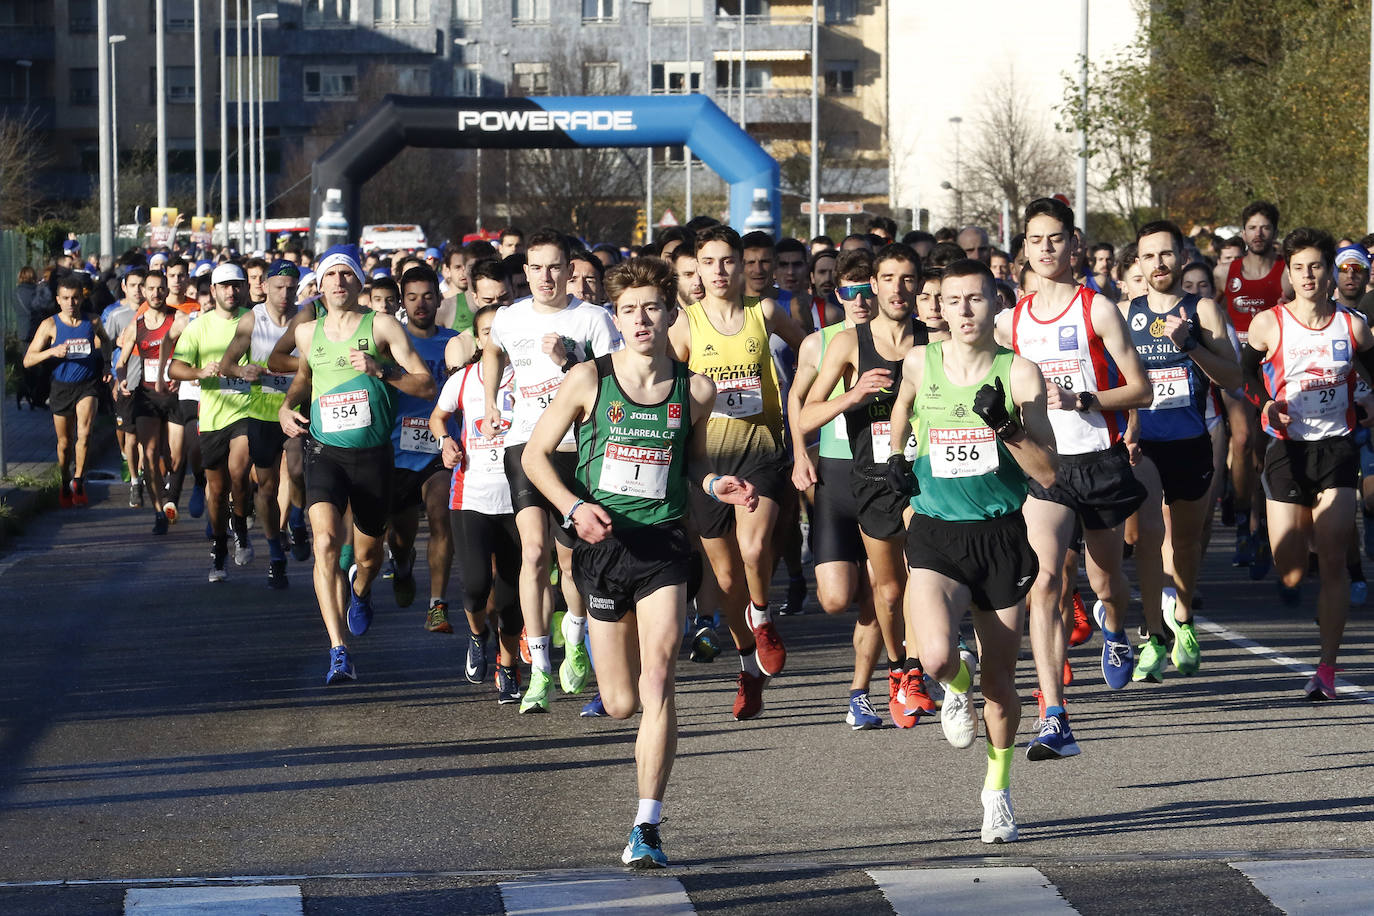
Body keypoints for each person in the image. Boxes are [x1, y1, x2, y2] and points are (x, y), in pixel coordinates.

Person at [523, 256, 758, 868]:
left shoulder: (694, 390)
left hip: (663, 550)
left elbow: (694, 466)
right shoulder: (588, 379)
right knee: (622, 701)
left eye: (652, 307)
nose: (641, 319)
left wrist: (716, 487)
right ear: (616, 317)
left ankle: (647, 824)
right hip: (602, 548)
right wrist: (573, 509)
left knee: (659, 681)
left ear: (670, 313)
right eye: (628, 309)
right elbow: (535, 457)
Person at [887, 258, 1057, 843]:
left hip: (1000, 535)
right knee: (935, 657)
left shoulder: (1021, 374)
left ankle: (997, 793)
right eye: (950, 299)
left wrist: (1007, 428)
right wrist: (897, 453)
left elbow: (1049, 472)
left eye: (974, 299)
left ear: (995, 304)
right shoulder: (919, 360)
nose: (961, 310)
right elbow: (904, 402)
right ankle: (953, 687)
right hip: (936, 530)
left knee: (1002, 684)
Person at [995, 197, 1151, 762]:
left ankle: (1115, 629)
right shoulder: (1009, 322)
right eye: (1035, 240)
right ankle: (1054, 716)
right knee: (1045, 583)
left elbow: (1142, 389)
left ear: (1073, 244)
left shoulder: (1099, 309)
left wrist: (1084, 398)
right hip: (1045, 468)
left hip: (1100, 459)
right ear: (1025, 250)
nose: (1045, 249)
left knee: (1106, 580)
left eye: (1055, 238)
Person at [276, 246, 437, 683]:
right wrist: (286, 408)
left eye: (347, 274)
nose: (340, 282)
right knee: (326, 541)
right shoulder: (308, 333)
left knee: (367, 558)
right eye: (332, 276)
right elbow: (302, 379)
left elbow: (425, 384)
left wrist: (380, 369)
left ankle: (361, 591)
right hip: (325, 452)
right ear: (321, 284)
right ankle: (338, 649)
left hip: (374, 456)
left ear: (359, 281)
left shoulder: (381, 326)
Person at [667, 225, 805, 719]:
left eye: (729, 261)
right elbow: (664, 389)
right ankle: (748, 666)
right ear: (697, 268)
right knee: (725, 582)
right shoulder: (685, 328)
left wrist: (806, 402)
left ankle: (764, 617)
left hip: (762, 452)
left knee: (753, 548)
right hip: (708, 465)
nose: (720, 271)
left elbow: (809, 354)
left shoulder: (762, 312)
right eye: (710, 262)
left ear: (742, 265)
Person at [482, 229, 620, 713]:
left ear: (569, 270)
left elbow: (612, 382)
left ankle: (576, 640)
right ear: (525, 272)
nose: (545, 276)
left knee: (573, 561)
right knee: (534, 554)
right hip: (526, 446)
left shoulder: (594, 319)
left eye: (554, 266)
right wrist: (490, 402)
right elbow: (493, 353)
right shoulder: (509, 317)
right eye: (536, 267)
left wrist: (571, 360)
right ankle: (539, 669)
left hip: (576, 448)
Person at [799, 245, 934, 728]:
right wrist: (853, 394)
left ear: (918, 286)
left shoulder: (931, 340)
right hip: (872, 480)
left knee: (923, 580)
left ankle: (915, 671)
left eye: (908, 278)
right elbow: (806, 414)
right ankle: (897, 669)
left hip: (924, 478)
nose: (899, 288)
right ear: (872, 285)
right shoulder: (850, 344)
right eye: (889, 278)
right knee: (890, 590)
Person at [1242, 228, 1374, 700]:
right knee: (1292, 569)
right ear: (1289, 273)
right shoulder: (1269, 324)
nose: (1309, 276)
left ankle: (1326, 668)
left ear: (1330, 271)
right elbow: (1246, 374)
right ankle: (1297, 552)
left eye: (1316, 266)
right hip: (1287, 450)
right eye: (1299, 268)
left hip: (1336, 448)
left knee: (1335, 559)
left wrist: (1368, 405)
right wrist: (1264, 404)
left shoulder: (1352, 326)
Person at [1124, 221, 1241, 683]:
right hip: (1143, 444)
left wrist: (1189, 344)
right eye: (1149, 256)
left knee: (1186, 543)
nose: (1159, 264)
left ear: (1181, 256)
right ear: (1138, 262)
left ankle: (1184, 619)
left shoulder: (1202, 309)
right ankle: (1153, 634)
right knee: (1147, 537)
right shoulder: (1123, 312)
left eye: (1166, 254)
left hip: (1191, 441)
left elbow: (1232, 377)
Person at [430, 304, 523, 702]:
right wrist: (445, 441)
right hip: (470, 495)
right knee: (474, 586)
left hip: (518, 497)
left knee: (509, 594)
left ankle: (508, 667)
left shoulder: (526, 379)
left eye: (500, 332)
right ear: (477, 339)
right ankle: (475, 634)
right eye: (486, 332)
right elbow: (438, 417)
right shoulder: (464, 379)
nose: (493, 339)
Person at [167, 264, 258, 581]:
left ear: (244, 288)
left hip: (246, 411)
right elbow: (174, 369)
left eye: (237, 286)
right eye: (225, 286)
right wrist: (198, 373)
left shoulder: (255, 320)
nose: (231, 292)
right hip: (213, 416)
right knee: (217, 493)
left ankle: (243, 530)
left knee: (239, 470)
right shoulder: (198, 327)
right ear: (214, 291)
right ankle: (220, 549)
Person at [218, 259, 306, 587]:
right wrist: (243, 371)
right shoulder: (253, 319)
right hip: (261, 412)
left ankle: (297, 521)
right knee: (267, 488)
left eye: (290, 288)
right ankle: (274, 553)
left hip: (297, 408)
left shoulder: (306, 318)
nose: (285, 294)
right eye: (278, 287)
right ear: (266, 286)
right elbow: (227, 364)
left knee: (297, 472)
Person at [385, 266, 459, 629]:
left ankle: (437, 604)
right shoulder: (393, 344)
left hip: (442, 450)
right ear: (402, 302)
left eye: (428, 296)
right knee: (400, 536)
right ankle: (401, 562)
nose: (421, 304)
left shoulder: (456, 342)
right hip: (398, 451)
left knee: (441, 515)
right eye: (412, 297)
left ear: (439, 299)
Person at [1223, 201, 1293, 570]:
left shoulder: (1285, 273)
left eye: (1265, 227)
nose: (1258, 233)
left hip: (1272, 372)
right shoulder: (1227, 272)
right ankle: (1239, 519)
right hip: (1237, 371)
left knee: (1263, 454)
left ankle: (1261, 523)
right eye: (1252, 227)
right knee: (1242, 441)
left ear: (1274, 232)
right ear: (1243, 231)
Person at [23, 274, 107, 507]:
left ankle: (79, 480)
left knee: (85, 432)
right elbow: (28, 360)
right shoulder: (49, 325)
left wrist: (108, 365)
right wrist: (52, 351)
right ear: (58, 300)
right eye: (66, 298)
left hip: (87, 385)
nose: (71, 303)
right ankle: (64, 480)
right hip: (61, 387)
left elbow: (106, 341)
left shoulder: (93, 322)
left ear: (82, 299)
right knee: (64, 441)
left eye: (75, 298)